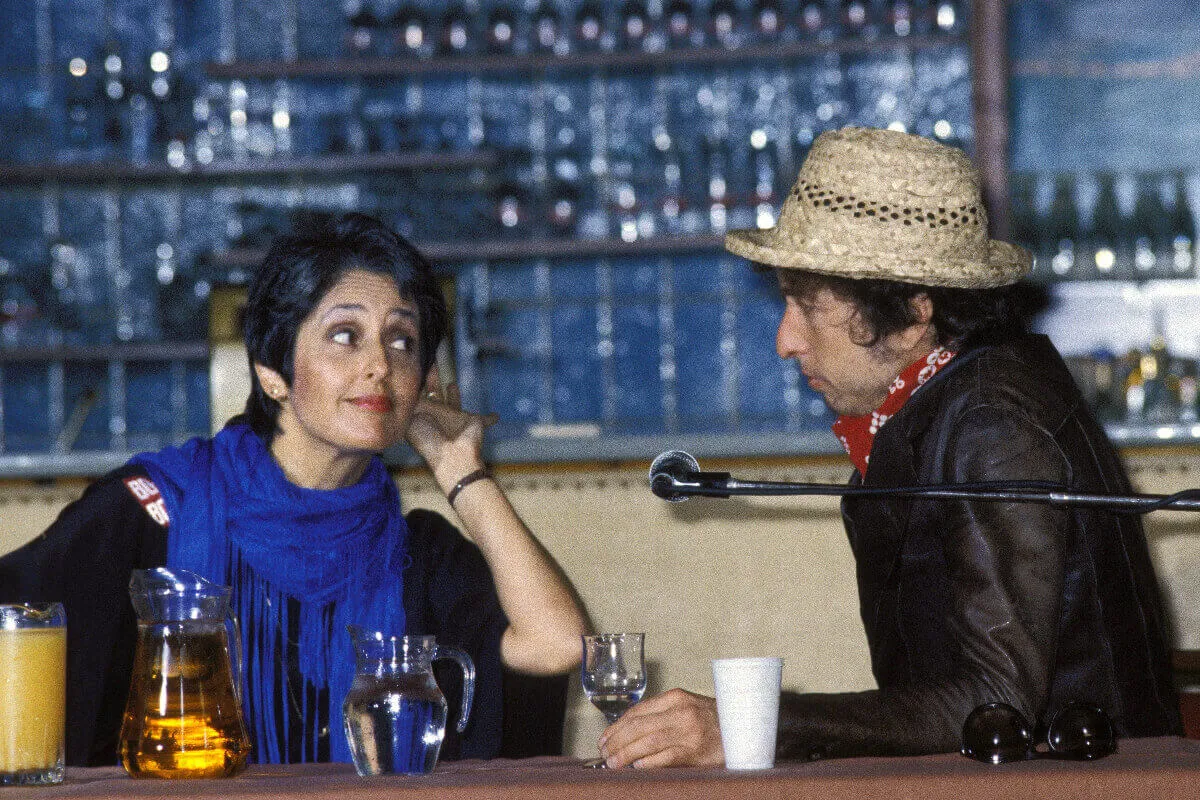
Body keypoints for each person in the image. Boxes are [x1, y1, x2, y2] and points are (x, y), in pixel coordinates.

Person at [597, 127, 1182, 767]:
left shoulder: (992, 427)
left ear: (912, 312)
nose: (785, 341)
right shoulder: (957, 401)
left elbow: (997, 702)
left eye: (808, 307)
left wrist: (747, 725)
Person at [0, 212, 589, 766]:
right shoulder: (154, 513)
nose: (380, 364)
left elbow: (558, 644)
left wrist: (458, 467)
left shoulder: (415, 556)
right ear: (272, 373)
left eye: (402, 340)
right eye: (344, 335)